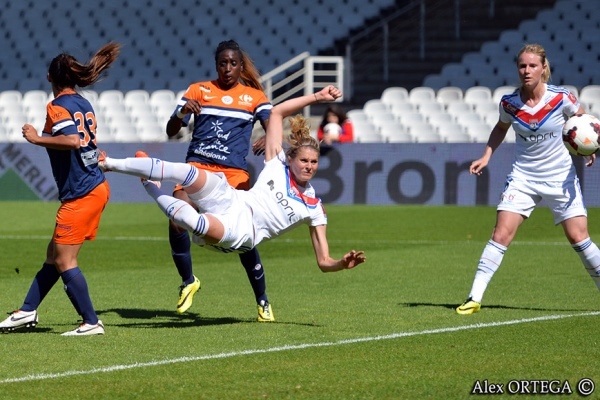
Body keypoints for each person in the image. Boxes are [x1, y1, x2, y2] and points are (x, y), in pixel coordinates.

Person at [99, 86, 365, 294]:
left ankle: (151, 187)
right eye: (304, 160)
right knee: (190, 172)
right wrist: (317, 96)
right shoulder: (278, 162)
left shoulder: (314, 208)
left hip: (242, 232)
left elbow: (323, 261)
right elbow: (275, 113)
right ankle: (108, 162)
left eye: (314, 162)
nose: (308, 166)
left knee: (190, 221)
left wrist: (341, 264)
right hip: (233, 198)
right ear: (292, 158)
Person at [456, 43, 600, 315]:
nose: (527, 70)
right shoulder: (509, 103)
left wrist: (588, 148)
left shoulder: (561, 97)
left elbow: (583, 124)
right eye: (522, 65)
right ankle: (473, 298)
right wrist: (487, 156)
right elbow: (500, 127)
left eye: (533, 65)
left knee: (579, 238)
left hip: (559, 178)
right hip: (523, 177)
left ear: (543, 68)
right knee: (500, 234)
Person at [0, 42, 121, 335]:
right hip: (94, 187)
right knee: (53, 254)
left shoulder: (57, 106)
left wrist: (35, 138)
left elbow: (71, 141)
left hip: (81, 194)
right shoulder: (83, 103)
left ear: (49, 78)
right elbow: (83, 143)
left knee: (65, 259)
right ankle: (27, 310)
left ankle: (91, 321)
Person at [165, 40, 274, 320]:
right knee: (176, 217)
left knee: (244, 238)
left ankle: (262, 300)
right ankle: (189, 281)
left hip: (233, 174)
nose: (227, 68)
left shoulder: (254, 96)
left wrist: (269, 135)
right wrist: (181, 112)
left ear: (240, 66)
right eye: (222, 63)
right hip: (198, 166)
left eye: (233, 63)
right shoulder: (198, 91)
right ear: (216, 65)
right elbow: (170, 130)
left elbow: (273, 122)